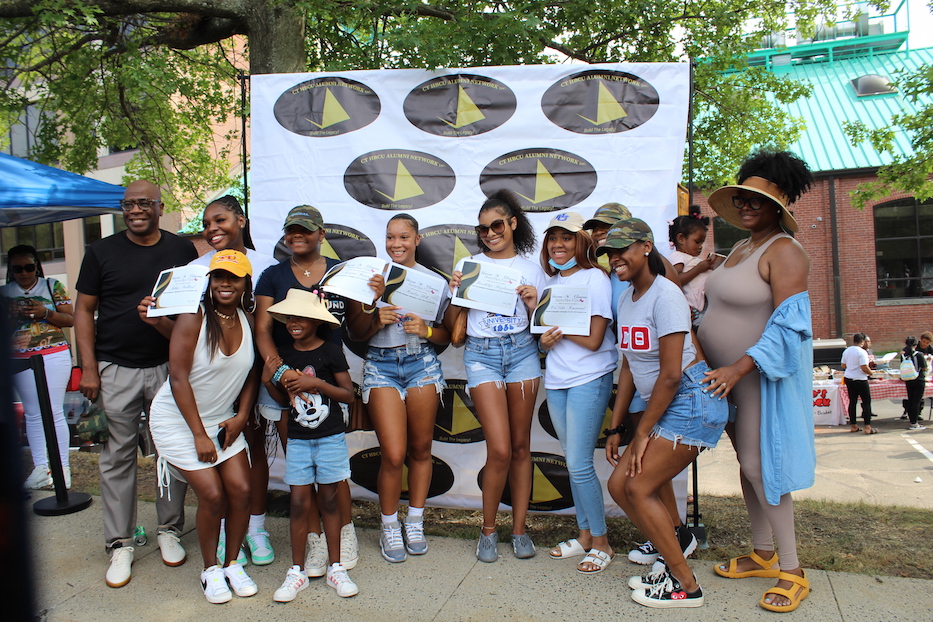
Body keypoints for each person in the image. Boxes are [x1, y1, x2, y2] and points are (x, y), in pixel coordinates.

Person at [699, 150, 816, 613]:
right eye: (742, 197)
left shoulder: (786, 251)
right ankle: (763, 553)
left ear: (778, 205)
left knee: (760, 467)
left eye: (757, 199)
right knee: (748, 468)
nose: (746, 205)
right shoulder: (742, 248)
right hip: (723, 381)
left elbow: (789, 327)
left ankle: (792, 569)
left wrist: (737, 368)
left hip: (756, 380)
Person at [141, 195, 279, 567]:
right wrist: (156, 320)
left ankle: (253, 529)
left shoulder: (267, 267)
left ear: (241, 221)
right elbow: (188, 345)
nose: (213, 229)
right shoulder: (192, 272)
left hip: (238, 385)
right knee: (214, 491)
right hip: (198, 399)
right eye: (207, 223)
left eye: (221, 220)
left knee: (247, 464)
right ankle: (215, 550)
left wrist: (244, 409)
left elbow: (251, 361)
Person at [75, 180, 198, 587]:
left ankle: (169, 530)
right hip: (115, 368)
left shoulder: (181, 249)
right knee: (116, 458)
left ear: (161, 207)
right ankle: (120, 543)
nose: (135, 210)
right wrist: (88, 368)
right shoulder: (99, 252)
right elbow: (83, 311)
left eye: (144, 203)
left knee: (171, 452)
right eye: (128, 204)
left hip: (168, 367)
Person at [599, 218, 728, 608]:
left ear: (646, 247)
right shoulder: (625, 298)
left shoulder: (666, 294)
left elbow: (671, 375)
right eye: (609, 252)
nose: (615, 258)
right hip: (666, 399)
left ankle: (686, 587)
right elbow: (629, 365)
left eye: (622, 249)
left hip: (691, 398)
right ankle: (674, 551)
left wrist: (642, 434)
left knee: (637, 486)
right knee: (620, 486)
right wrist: (617, 426)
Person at [148, 250, 258, 604]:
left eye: (234, 277)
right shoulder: (193, 317)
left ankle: (231, 565)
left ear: (246, 283)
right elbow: (178, 378)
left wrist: (242, 416)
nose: (225, 283)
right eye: (218, 276)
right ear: (208, 281)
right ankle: (210, 570)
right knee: (212, 494)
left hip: (222, 418)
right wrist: (198, 434)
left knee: (241, 489)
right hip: (179, 419)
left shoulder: (247, 319)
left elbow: (252, 375)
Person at [253, 205, 358, 571]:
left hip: (326, 383)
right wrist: (280, 372)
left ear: (321, 233)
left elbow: (356, 322)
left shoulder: (340, 271)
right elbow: (263, 329)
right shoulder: (271, 276)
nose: (297, 236)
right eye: (291, 231)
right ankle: (314, 542)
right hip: (285, 383)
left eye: (305, 230)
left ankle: (344, 535)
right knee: (301, 472)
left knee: (332, 471)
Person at [445, 189, 545, 562]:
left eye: (497, 225)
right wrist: (455, 292)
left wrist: (535, 302)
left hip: (521, 352)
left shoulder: (532, 268)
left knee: (521, 448)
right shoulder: (469, 266)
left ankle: (519, 530)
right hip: (482, 356)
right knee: (499, 448)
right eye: (483, 228)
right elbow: (452, 327)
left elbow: (545, 330)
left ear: (513, 223)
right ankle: (488, 530)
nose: (490, 233)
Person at [347, 214, 451, 563]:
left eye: (404, 237)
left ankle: (416, 521)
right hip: (381, 366)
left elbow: (447, 337)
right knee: (392, 454)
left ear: (417, 239)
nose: (396, 244)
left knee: (421, 450)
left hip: (421, 363)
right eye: (390, 237)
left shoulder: (433, 283)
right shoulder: (371, 279)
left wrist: (426, 331)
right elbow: (356, 334)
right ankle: (389, 525)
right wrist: (373, 313)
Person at [262, 288, 358, 600]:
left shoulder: (331, 351)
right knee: (300, 503)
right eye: (289, 317)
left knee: (329, 500)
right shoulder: (283, 353)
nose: (293, 322)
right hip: (299, 441)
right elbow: (283, 400)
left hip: (330, 438)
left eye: (301, 317)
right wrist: (269, 382)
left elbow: (348, 395)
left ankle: (336, 567)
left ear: (317, 321)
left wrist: (315, 383)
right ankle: (296, 571)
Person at [535, 213, 617, 573]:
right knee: (572, 461)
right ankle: (584, 535)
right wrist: (545, 340)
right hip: (557, 379)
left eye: (566, 238)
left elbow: (595, 339)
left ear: (581, 242)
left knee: (580, 464)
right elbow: (544, 339)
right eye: (553, 238)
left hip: (590, 376)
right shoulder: (549, 282)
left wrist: (561, 333)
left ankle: (602, 542)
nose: (558, 244)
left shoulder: (596, 278)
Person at [2, 245, 75, 489]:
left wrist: (44, 312)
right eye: (17, 269)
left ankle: (62, 469)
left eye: (29, 267)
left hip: (54, 353)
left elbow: (71, 319)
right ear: (11, 270)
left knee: (53, 411)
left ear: (37, 266)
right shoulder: (4, 293)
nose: (24, 273)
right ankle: (40, 468)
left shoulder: (52, 286)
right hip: (19, 357)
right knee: (32, 413)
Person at [667, 207, 720, 326]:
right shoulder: (677, 256)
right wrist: (699, 269)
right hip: (696, 309)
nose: (701, 246)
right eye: (697, 241)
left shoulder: (690, 259)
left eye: (702, 242)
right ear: (681, 238)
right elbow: (675, 280)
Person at [841, 333, 874, 434]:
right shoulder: (862, 352)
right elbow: (864, 366)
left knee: (852, 401)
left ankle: (853, 425)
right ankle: (867, 426)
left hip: (849, 378)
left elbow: (843, 365)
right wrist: (871, 372)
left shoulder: (847, 351)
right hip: (860, 378)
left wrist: (851, 367)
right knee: (866, 402)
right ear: (862, 341)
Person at [903, 336, 928, 431]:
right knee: (916, 401)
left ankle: (911, 420)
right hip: (919, 379)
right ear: (916, 344)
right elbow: (924, 368)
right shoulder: (919, 354)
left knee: (910, 399)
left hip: (908, 379)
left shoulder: (904, 355)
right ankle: (914, 422)